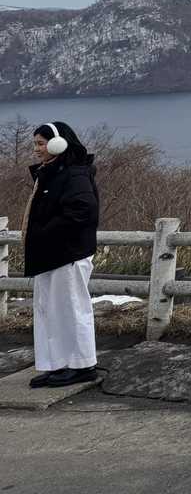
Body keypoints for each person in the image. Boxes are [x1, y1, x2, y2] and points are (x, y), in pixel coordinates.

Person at [20, 121, 100, 388]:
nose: (36, 149)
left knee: (72, 309)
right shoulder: (52, 172)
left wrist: (45, 232)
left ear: (58, 143)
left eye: (41, 143)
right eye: (35, 144)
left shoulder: (74, 174)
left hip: (68, 254)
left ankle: (82, 365)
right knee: (49, 311)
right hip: (52, 255)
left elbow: (84, 210)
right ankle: (57, 364)